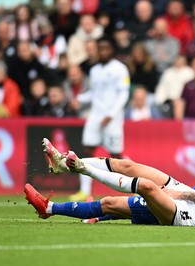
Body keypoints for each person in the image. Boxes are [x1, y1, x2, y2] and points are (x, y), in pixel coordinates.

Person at [25, 140, 195, 228]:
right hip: (185, 193)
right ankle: (66, 166)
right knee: (129, 168)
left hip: (185, 204)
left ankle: (81, 170)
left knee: (118, 200)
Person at [70, 35, 130, 201]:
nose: (103, 52)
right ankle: (84, 191)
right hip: (95, 117)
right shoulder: (95, 70)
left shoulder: (120, 69)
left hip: (112, 119)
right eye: (100, 48)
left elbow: (124, 94)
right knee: (87, 151)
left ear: (112, 50)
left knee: (116, 155)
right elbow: (94, 94)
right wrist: (80, 99)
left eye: (106, 48)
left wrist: (111, 114)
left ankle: (136, 183)